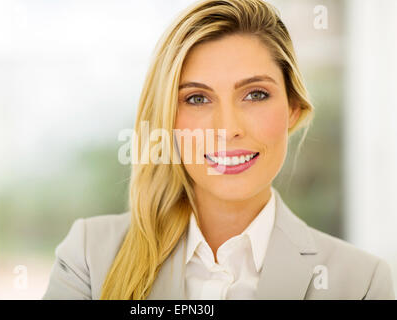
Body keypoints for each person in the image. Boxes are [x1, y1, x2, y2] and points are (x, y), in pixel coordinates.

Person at [43, 0, 395, 300]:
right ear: (167, 120)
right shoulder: (89, 257)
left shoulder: (364, 283)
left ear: (293, 108)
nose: (227, 130)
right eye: (197, 98)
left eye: (255, 94)